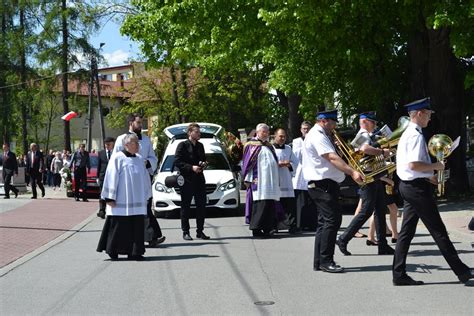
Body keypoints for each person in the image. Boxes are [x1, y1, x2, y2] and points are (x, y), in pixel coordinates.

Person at [393, 97, 473, 286]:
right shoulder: (414, 135)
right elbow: (413, 164)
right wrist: (436, 165)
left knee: (406, 233)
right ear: (419, 114)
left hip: (411, 186)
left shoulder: (411, 133)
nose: (429, 118)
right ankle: (461, 271)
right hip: (415, 189)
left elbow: (409, 167)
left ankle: (399, 274)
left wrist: (429, 175)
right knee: (439, 230)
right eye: (428, 114)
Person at [302, 109, 364, 273]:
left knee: (324, 222)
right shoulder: (318, 135)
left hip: (325, 184)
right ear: (323, 121)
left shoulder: (321, 134)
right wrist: (352, 172)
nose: (334, 126)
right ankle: (326, 260)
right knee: (332, 220)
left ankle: (319, 261)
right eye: (333, 122)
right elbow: (331, 157)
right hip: (322, 184)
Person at [336, 111, 395, 256]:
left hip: (374, 176)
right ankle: (343, 239)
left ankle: (383, 244)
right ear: (365, 122)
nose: (374, 126)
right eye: (372, 122)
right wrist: (382, 152)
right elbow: (364, 149)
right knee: (367, 211)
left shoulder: (368, 135)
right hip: (367, 177)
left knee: (380, 210)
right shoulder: (362, 135)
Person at [96, 134, 151, 261]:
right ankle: (113, 250)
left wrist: (147, 195)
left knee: (136, 227)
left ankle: (135, 252)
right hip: (121, 201)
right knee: (118, 226)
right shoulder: (117, 158)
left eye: (137, 142)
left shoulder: (139, 158)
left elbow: (145, 178)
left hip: (137, 202)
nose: (138, 145)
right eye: (135, 143)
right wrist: (109, 197)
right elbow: (111, 177)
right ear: (126, 145)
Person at [114, 114, 165, 247]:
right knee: (137, 209)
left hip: (144, 178)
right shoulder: (121, 139)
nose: (141, 125)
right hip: (128, 180)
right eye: (138, 123)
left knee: (146, 207)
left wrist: (148, 163)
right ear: (131, 123)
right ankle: (149, 236)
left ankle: (151, 236)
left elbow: (153, 158)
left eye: (141, 123)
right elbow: (116, 159)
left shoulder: (146, 140)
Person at [242, 123, 280, 238]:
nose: (266, 134)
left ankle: (268, 228)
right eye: (264, 132)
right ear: (257, 132)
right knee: (260, 204)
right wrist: (248, 178)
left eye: (267, 132)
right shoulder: (251, 145)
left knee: (269, 204)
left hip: (270, 181)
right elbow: (247, 163)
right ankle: (257, 229)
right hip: (258, 181)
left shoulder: (269, 145)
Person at [174, 123, 211, 240]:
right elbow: (177, 161)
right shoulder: (182, 145)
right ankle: (185, 232)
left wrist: (203, 164)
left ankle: (200, 231)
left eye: (199, 132)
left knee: (201, 206)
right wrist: (191, 167)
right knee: (186, 206)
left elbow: (203, 159)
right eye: (197, 132)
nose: (199, 134)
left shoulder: (200, 146)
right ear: (190, 133)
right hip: (187, 180)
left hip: (199, 179)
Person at [292, 121, 318, 231]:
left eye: (307, 128)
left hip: (312, 173)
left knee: (312, 201)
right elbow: (297, 155)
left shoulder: (315, 140)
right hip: (301, 174)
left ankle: (312, 223)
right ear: (301, 130)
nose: (306, 130)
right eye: (304, 129)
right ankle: (300, 224)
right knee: (301, 201)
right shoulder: (297, 141)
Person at [273, 128, 299, 233]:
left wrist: (289, 164)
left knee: (290, 205)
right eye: (280, 136)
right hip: (276, 179)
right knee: (276, 205)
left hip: (287, 180)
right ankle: (275, 226)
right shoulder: (270, 148)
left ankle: (292, 226)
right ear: (275, 136)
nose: (282, 138)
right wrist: (277, 164)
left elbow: (296, 162)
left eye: (284, 136)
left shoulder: (288, 148)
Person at [97, 137, 115, 219]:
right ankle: (102, 210)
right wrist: (97, 177)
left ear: (113, 144)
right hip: (103, 176)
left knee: (112, 193)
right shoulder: (101, 153)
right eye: (106, 144)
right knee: (102, 193)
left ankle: (112, 210)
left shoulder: (116, 153)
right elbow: (99, 165)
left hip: (113, 176)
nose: (107, 146)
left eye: (109, 144)